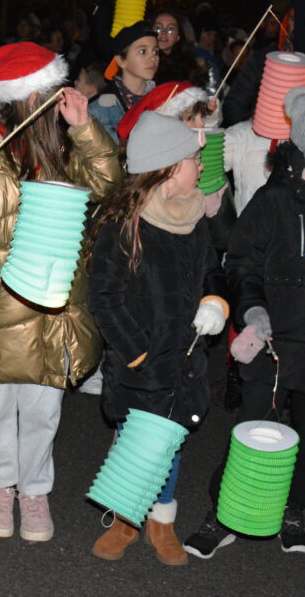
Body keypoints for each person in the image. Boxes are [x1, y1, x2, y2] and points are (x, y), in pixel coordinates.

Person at [0, 42, 122, 542]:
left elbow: (108, 186)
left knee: (42, 411)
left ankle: (34, 490)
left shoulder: (64, 149)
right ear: (19, 100)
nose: (55, 101)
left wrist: (84, 127)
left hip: (54, 304)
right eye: (47, 94)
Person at [183, 87, 305, 558]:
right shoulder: (274, 202)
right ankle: (223, 514)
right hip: (273, 345)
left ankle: (294, 508)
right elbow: (242, 264)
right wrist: (254, 313)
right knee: (256, 429)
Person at [88, 112, 227, 565]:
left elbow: (213, 272)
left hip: (186, 357)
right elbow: (105, 298)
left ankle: (161, 519)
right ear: (168, 168)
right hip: (143, 361)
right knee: (136, 442)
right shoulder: (124, 225)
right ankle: (126, 515)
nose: (199, 167)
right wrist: (137, 353)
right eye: (193, 159)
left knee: (171, 442)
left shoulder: (195, 217)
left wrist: (216, 302)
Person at [88, 22, 159, 141]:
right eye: (143, 51)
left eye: (155, 51)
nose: (153, 58)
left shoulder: (164, 101)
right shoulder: (99, 109)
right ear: (121, 60)